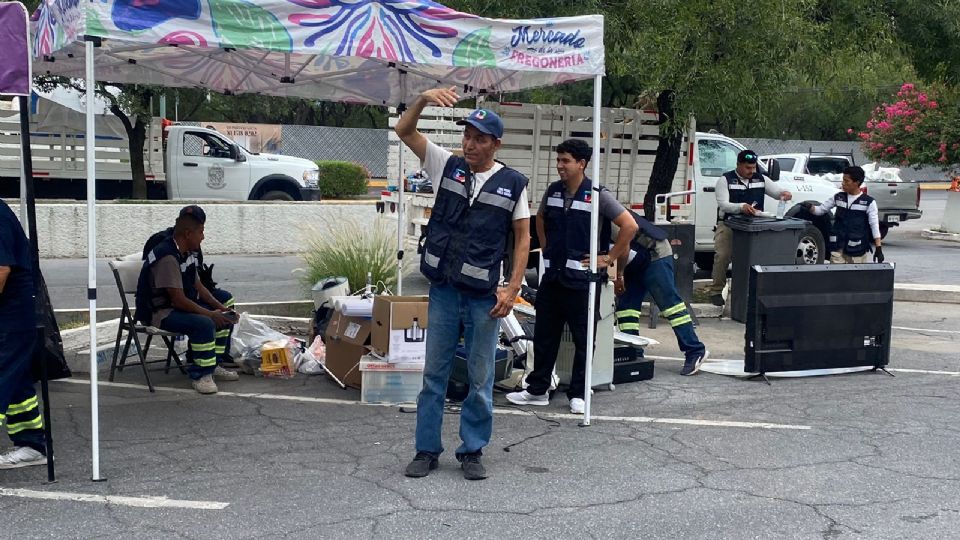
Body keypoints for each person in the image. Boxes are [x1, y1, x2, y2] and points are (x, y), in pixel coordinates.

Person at [395, 87, 530, 480]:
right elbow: (405, 130)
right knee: (433, 374)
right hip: (445, 291)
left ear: (495, 144)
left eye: (478, 139)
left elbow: (523, 238)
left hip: (484, 296)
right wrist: (421, 99)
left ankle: (472, 450)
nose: (469, 144)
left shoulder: (513, 184)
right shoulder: (445, 164)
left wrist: (513, 288)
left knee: (480, 377)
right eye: (467, 136)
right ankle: (426, 450)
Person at [505, 139, 638, 414]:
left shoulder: (598, 194)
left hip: (582, 283)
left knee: (582, 339)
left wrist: (609, 258)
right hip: (553, 278)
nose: (560, 166)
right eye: (558, 160)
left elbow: (630, 226)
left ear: (582, 163)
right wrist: (546, 246)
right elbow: (540, 218)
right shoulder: (553, 191)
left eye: (565, 161)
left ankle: (579, 393)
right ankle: (537, 389)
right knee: (545, 336)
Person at [135, 207, 239, 394]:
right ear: (188, 233)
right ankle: (201, 375)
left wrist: (221, 308)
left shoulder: (188, 251)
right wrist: (211, 314)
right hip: (162, 312)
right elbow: (177, 300)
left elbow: (198, 285)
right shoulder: (166, 256)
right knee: (205, 323)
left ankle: (214, 363)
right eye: (201, 232)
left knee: (226, 302)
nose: (203, 237)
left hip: (180, 303)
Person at [613, 210, 709, 375]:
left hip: (654, 254)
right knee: (626, 308)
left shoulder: (600, 213)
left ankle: (695, 350)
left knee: (670, 304)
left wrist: (619, 274)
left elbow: (623, 245)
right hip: (634, 258)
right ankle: (633, 354)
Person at [705, 149, 792, 306]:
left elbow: (777, 192)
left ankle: (752, 290)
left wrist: (784, 194)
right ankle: (716, 291)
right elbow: (723, 204)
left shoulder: (761, 179)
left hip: (753, 227)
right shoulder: (725, 180)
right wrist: (741, 207)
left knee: (754, 259)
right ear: (738, 165)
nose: (751, 171)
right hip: (730, 224)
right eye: (748, 168)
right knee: (723, 256)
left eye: (753, 168)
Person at [0, 200, 46, 469]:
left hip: (12, 316)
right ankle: (31, 444)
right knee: (15, 382)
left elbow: (2, 270)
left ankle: (32, 445)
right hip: (12, 315)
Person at [807, 166, 883, 264]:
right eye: (843, 180)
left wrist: (878, 248)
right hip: (838, 248)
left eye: (846, 181)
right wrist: (809, 207)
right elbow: (820, 210)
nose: (843, 183)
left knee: (855, 278)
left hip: (857, 250)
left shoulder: (869, 202)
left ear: (857, 182)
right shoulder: (838, 197)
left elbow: (874, 225)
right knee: (836, 277)